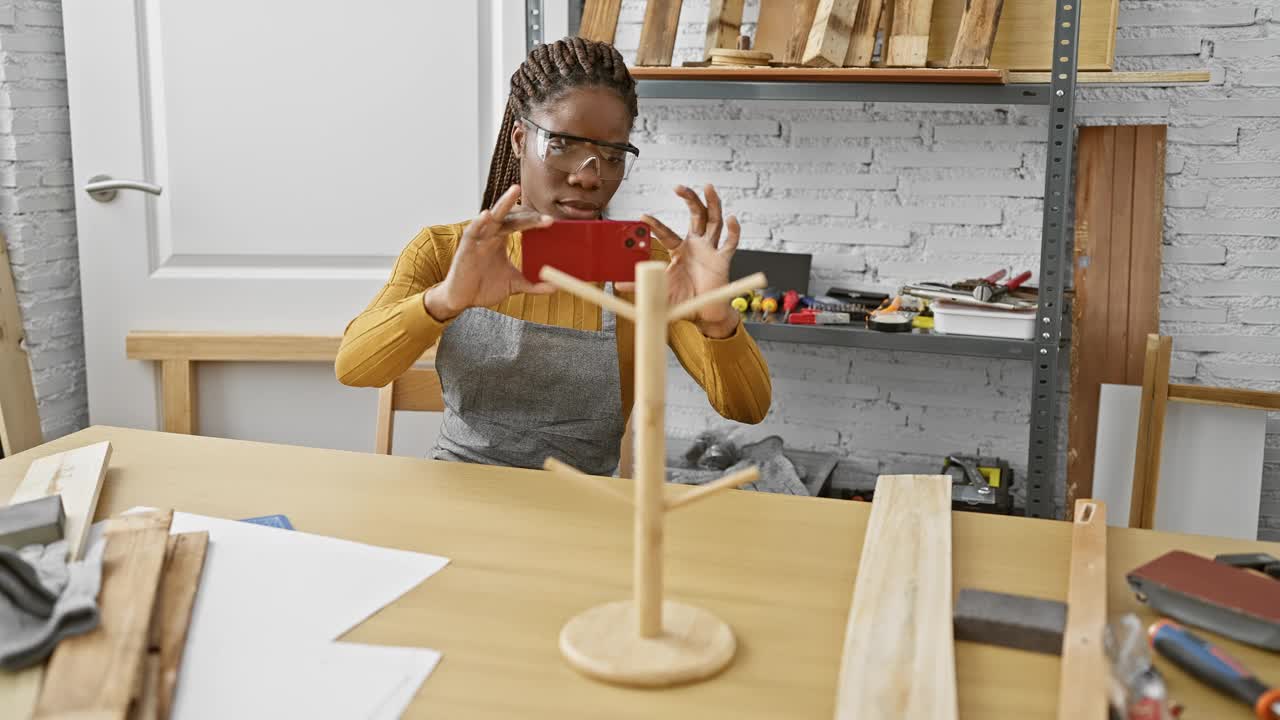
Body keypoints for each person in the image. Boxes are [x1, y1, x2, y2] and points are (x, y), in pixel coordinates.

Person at [335, 38, 771, 475]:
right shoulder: (446, 250)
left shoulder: (649, 270)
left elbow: (747, 409)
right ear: (520, 139)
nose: (589, 176)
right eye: (562, 144)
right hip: (458, 491)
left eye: (613, 154)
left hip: (585, 507)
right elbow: (354, 367)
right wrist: (444, 301)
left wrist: (717, 321)